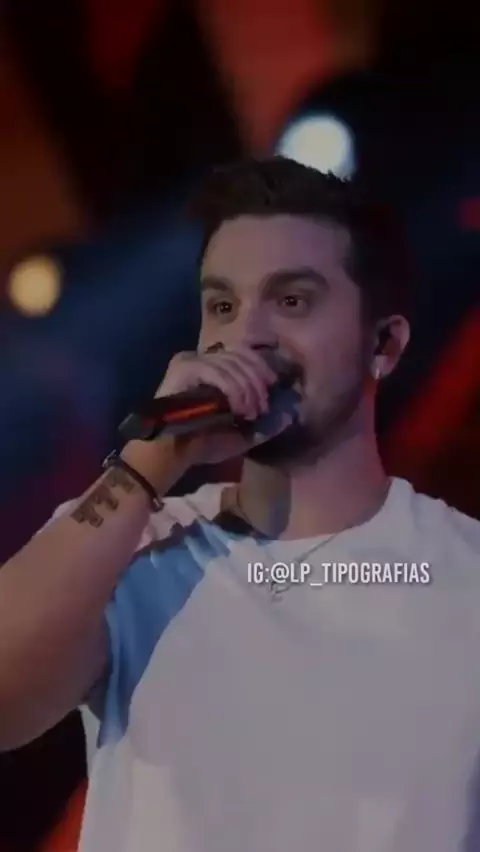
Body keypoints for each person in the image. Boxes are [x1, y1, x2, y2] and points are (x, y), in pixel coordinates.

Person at [0, 157, 479, 852]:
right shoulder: (132, 547)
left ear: (383, 345)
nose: (246, 335)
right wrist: (148, 464)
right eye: (222, 306)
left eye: (292, 301)